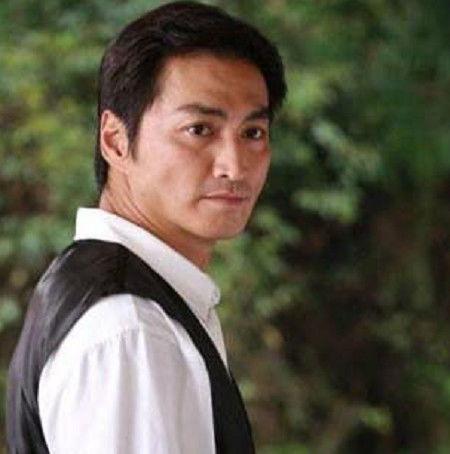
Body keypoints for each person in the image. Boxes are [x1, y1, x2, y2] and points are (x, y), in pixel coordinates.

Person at [6, 1, 286, 453]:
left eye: (252, 133)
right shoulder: (129, 329)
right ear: (115, 140)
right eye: (199, 129)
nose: (234, 166)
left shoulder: (131, 299)